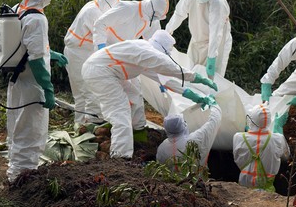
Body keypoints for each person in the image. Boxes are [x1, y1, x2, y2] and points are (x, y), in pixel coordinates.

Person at [81, 30, 217, 159]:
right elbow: (172, 68)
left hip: (106, 71)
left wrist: (193, 95)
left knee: (134, 95)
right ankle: (121, 157)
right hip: (100, 72)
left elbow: (166, 80)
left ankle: (135, 133)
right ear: (163, 49)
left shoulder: (144, 53)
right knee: (120, 113)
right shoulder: (147, 52)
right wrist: (197, 77)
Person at [7, 0, 66, 183]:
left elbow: (24, 46)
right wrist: (48, 90)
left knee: (17, 128)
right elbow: (35, 59)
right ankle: (24, 180)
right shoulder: (38, 19)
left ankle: (15, 173)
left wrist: (52, 54)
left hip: (16, 81)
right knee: (31, 132)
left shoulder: (17, 10)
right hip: (32, 85)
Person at [92, 0, 170, 128]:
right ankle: (110, 125)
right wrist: (101, 48)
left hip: (127, 53)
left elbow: (156, 47)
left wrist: (162, 75)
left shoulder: (152, 19)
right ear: (152, 10)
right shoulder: (127, 8)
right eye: (156, 16)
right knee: (114, 91)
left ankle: (138, 127)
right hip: (109, 50)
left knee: (136, 90)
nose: (156, 19)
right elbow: (100, 23)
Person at [63, 0, 121, 125]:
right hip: (78, 53)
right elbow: (104, 36)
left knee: (80, 93)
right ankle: (93, 124)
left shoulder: (93, 4)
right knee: (88, 89)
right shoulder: (94, 13)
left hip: (76, 51)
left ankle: (80, 124)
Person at [165, 0, 232, 79]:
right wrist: (168, 31)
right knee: (191, 73)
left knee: (214, 78)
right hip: (197, 40)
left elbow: (216, 32)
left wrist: (212, 57)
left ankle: (211, 95)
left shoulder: (217, 2)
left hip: (216, 44)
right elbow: (178, 15)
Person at [232, 104, 289, 192]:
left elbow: (237, 158)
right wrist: (278, 130)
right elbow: (287, 156)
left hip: (243, 191)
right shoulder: (277, 139)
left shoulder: (238, 138)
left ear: (251, 120)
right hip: (267, 193)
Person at [156, 103, 222, 167]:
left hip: (172, 178)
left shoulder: (162, 148)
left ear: (167, 130)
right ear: (183, 125)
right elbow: (214, 121)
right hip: (198, 177)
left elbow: (160, 167)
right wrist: (213, 104)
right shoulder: (195, 140)